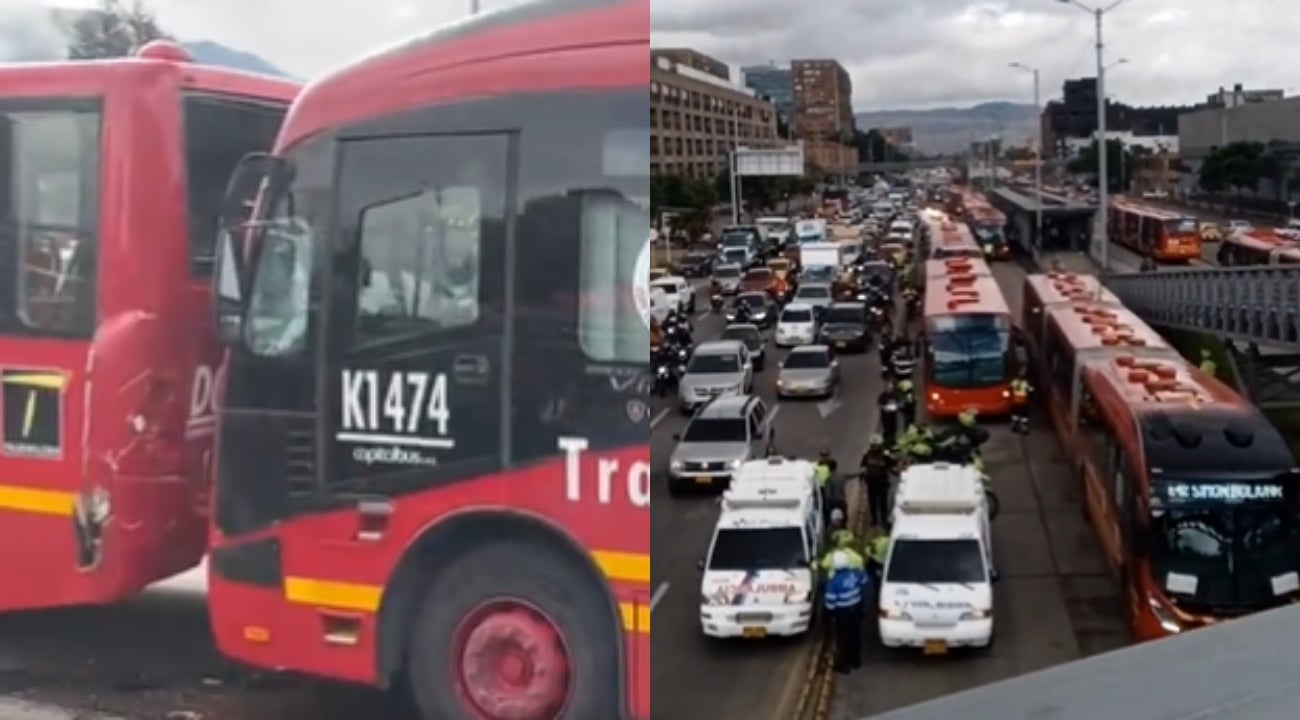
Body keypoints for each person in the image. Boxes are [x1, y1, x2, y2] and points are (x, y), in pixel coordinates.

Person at [822, 550, 868, 674]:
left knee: (843, 640)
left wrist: (830, 615)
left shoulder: (833, 582)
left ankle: (844, 666)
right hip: (856, 610)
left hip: (842, 614)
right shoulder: (855, 574)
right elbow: (865, 580)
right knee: (856, 637)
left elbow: (830, 603)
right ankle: (856, 662)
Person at [860, 436, 893, 528]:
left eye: (876, 446)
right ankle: (874, 520)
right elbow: (863, 465)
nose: (874, 448)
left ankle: (884, 520)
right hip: (871, 482)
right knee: (872, 502)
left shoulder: (885, 454)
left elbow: (891, 464)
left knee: (883, 502)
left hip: (881, 481)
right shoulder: (867, 454)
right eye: (873, 445)